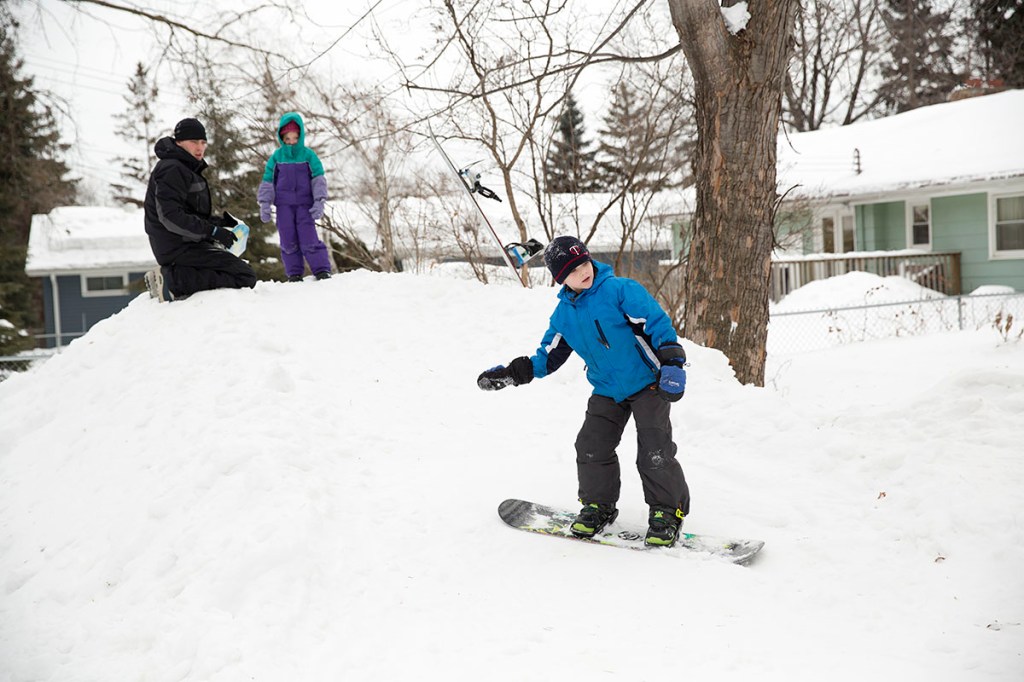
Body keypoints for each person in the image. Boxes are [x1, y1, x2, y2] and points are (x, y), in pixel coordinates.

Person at [477, 236, 691, 547]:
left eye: (584, 262)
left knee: (654, 450)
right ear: (560, 278)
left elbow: (657, 323)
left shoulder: (620, 290)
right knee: (590, 445)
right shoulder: (564, 315)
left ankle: (666, 513)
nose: (583, 270)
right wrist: (513, 373)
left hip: (648, 383)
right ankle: (598, 506)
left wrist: (672, 362)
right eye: (573, 269)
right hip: (606, 389)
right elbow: (548, 356)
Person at [143, 117, 257, 301]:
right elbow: (170, 217)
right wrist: (212, 231)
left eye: (203, 142)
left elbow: (188, 214)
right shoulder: (172, 168)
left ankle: (174, 275)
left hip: (186, 243)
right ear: (179, 142)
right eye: (194, 142)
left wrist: (220, 224)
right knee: (244, 275)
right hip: (176, 246)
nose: (200, 147)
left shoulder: (184, 168)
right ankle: (172, 280)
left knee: (241, 270)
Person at [257, 112, 332, 282]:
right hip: (284, 206)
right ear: (282, 138)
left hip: (305, 205)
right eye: (287, 138)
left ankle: (321, 270)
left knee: (308, 237)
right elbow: (268, 181)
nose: (291, 142)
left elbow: (318, 178)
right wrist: (265, 203)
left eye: (295, 138)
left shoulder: (308, 155)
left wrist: (319, 200)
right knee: (287, 238)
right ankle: (294, 273)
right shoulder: (276, 157)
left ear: (301, 136)